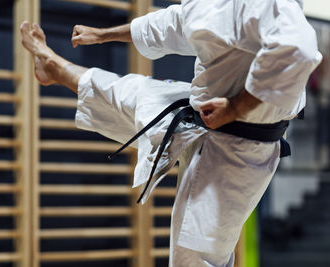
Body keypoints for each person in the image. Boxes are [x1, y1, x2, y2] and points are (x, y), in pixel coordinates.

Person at [20, 0, 322, 266]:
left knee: (192, 259)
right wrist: (103, 35)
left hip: (238, 153)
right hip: (201, 118)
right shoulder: (204, 4)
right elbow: (169, 24)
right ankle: (54, 67)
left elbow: (298, 51)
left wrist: (235, 107)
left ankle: (55, 68)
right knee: (132, 95)